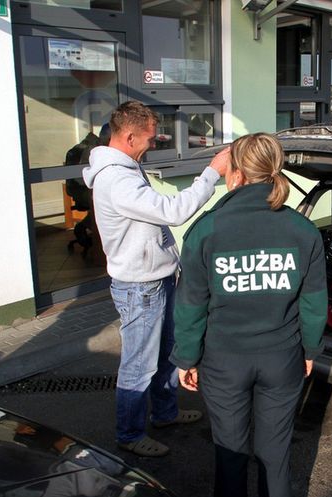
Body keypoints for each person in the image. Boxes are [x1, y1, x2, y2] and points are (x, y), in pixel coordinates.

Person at [171, 132, 327, 497]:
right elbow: (313, 303)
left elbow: (191, 303)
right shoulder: (303, 230)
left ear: (236, 174)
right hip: (282, 358)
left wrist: (186, 357)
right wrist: (309, 350)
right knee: (275, 455)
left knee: (231, 453)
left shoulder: (207, 230)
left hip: (225, 361)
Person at [83, 101, 228, 457]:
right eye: (149, 138)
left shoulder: (127, 168)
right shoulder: (117, 179)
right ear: (129, 136)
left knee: (166, 352)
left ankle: (164, 413)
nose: (152, 144)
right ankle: (129, 435)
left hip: (156, 278)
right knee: (139, 364)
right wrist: (211, 173)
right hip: (140, 287)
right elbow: (172, 212)